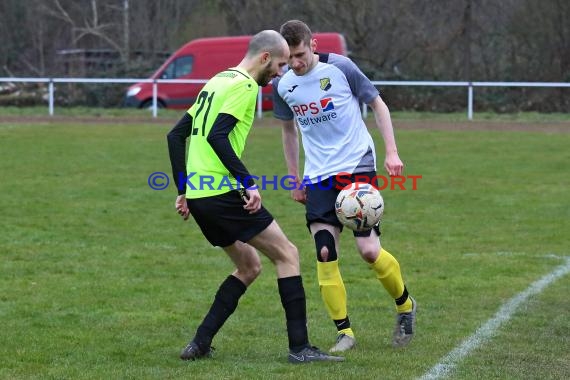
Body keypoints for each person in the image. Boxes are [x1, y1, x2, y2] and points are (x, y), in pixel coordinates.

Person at [166, 30, 343, 364]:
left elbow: (175, 135)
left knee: (248, 266)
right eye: (278, 65)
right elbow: (218, 136)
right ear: (264, 57)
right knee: (288, 255)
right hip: (222, 192)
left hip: (202, 197)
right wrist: (248, 183)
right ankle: (300, 348)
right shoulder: (245, 86)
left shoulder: (218, 80)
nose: (280, 73)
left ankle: (200, 343)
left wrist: (183, 190)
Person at [273, 20, 417, 352]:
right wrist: (294, 177)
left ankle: (405, 305)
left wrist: (392, 152)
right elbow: (287, 131)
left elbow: (378, 104)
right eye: (289, 57)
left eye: (300, 54)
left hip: (356, 164)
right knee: (324, 252)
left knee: (368, 251)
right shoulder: (283, 85)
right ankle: (345, 333)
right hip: (319, 175)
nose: (295, 63)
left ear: (313, 43)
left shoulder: (340, 68)